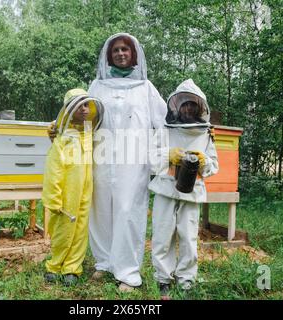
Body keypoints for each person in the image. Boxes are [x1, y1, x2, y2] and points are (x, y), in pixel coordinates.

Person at [88, 33, 167, 291]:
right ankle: (104, 263)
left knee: (127, 211)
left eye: (125, 50)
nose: (121, 53)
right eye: (116, 50)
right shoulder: (97, 86)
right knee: (100, 210)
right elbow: (84, 118)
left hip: (134, 160)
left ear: (134, 54)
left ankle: (128, 272)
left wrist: (162, 155)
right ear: (108, 55)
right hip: (101, 156)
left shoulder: (146, 88)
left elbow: (164, 123)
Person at [148, 79, 219, 299]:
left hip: (192, 191)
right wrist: (168, 155)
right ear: (177, 106)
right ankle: (163, 279)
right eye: (185, 104)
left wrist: (203, 159)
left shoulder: (205, 133)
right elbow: (150, 158)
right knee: (162, 234)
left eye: (192, 105)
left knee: (188, 237)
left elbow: (213, 166)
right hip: (165, 189)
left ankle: (186, 280)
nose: (188, 108)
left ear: (199, 108)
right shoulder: (164, 129)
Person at [42, 88, 104, 286]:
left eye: (86, 105)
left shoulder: (89, 131)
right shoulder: (62, 138)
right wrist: (54, 197)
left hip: (86, 191)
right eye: (79, 105)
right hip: (66, 193)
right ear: (69, 109)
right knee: (62, 228)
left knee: (80, 229)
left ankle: (72, 268)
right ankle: (55, 265)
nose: (84, 109)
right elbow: (54, 170)